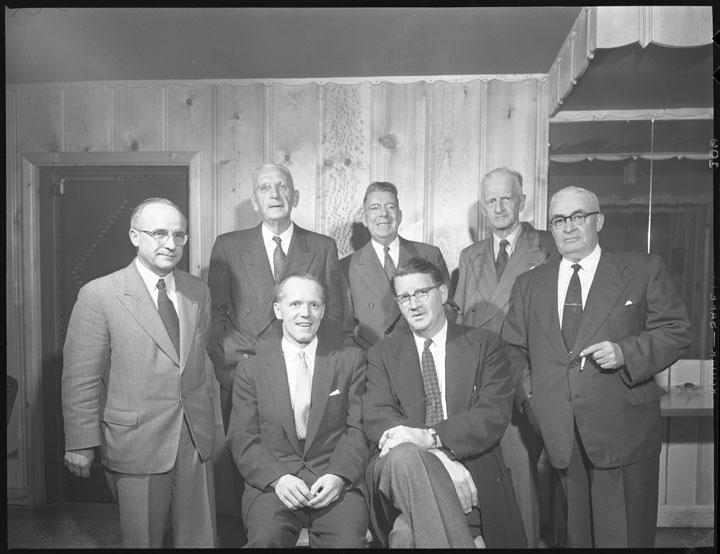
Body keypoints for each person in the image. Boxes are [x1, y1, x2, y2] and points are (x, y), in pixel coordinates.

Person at [503, 186, 692, 548]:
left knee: (624, 538)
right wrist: (532, 398)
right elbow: (511, 349)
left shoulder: (641, 269)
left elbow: (677, 330)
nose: (568, 227)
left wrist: (625, 352)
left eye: (578, 217)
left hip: (623, 434)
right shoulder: (529, 284)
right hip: (560, 436)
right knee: (574, 540)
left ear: (599, 221)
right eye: (558, 220)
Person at [62, 198, 216, 548]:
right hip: (136, 440)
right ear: (134, 236)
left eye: (179, 235)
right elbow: (81, 378)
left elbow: (197, 365)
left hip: (195, 440)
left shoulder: (198, 292)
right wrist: (81, 442)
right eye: (159, 233)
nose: (170, 244)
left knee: (200, 540)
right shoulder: (100, 294)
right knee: (142, 541)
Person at [363, 257, 526, 548]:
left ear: (442, 293)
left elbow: (492, 414)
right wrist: (437, 456)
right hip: (398, 468)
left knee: (406, 535)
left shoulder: (484, 344)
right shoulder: (381, 354)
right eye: (404, 297)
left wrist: (433, 438)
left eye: (421, 293)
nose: (413, 305)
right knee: (405, 456)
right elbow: (378, 416)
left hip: (471, 462)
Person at [227, 273, 369, 548]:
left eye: (314, 305)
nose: (306, 313)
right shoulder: (251, 369)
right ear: (278, 310)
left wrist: (338, 477)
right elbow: (243, 437)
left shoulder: (350, 361)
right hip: (274, 485)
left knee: (349, 543)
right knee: (265, 540)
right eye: (295, 304)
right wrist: (278, 479)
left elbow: (359, 429)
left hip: (334, 481)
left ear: (323, 311)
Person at [455, 166, 557, 547]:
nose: (498, 208)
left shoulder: (547, 246)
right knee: (486, 477)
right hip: (480, 382)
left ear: (522, 201)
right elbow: (462, 318)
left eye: (506, 199)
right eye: (491, 201)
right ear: (484, 207)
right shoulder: (470, 256)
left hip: (525, 377)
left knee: (525, 478)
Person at [208, 163, 347, 429]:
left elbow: (334, 315)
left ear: (295, 197)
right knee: (246, 449)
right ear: (254, 201)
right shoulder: (228, 246)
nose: (274, 194)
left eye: (282, 186)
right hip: (243, 371)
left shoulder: (322, 247)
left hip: (304, 374)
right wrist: (224, 361)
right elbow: (215, 313)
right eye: (264, 188)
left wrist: (321, 367)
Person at [341, 181, 453, 349]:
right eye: (375, 208)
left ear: (399, 216)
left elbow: (448, 310)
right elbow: (345, 330)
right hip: (371, 359)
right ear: (364, 218)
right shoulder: (347, 267)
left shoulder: (429, 255)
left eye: (390, 207)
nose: (383, 214)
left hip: (423, 354)